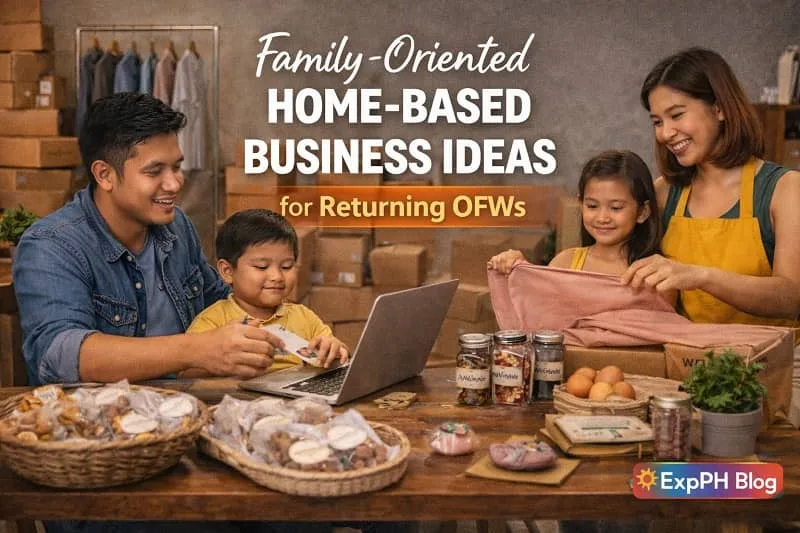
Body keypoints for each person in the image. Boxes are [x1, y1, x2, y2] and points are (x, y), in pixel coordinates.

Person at [13, 92, 285, 386]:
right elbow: (60, 355)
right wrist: (196, 350)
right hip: (98, 422)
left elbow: (224, 303)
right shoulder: (51, 245)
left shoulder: (176, 225)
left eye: (177, 167)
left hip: (183, 408)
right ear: (105, 175)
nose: (175, 183)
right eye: (155, 171)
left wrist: (300, 338)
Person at [621, 47, 800, 330]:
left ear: (719, 108)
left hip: (770, 365)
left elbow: (791, 298)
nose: (665, 133)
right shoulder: (665, 193)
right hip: (687, 360)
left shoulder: (785, 189)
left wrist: (700, 277)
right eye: (657, 122)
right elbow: (609, 259)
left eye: (677, 115)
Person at [489, 150, 674, 305]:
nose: (602, 218)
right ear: (580, 203)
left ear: (642, 212)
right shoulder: (565, 263)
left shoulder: (655, 274)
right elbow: (538, 311)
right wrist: (519, 268)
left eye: (616, 208)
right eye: (592, 206)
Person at [184, 209, 349, 373]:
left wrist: (336, 350)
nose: (277, 276)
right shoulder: (212, 322)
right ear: (228, 271)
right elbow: (188, 374)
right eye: (261, 266)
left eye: (286, 266)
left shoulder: (304, 318)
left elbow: (337, 353)